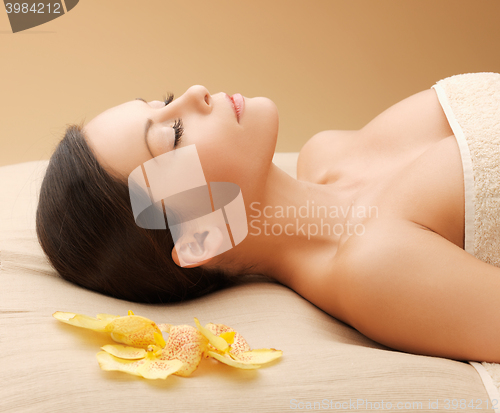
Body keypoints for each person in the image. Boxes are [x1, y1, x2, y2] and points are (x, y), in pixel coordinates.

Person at [36, 73, 500, 363]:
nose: (196, 93)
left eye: (167, 99)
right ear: (200, 238)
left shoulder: (330, 151)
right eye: (173, 134)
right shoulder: (374, 267)